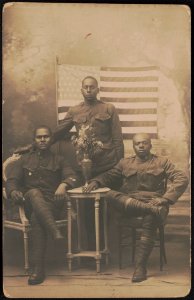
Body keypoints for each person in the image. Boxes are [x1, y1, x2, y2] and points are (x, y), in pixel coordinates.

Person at [85, 133, 189, 282]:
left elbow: (182, 178)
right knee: (109, 194)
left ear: (150, 145)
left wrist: (165, 199)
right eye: (137, 143)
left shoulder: (162, 162)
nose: (141, 146)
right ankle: (151, 210)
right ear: (133, 146)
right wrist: (96, 181)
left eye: (144, 143)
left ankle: (140, 267)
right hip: (130, 203)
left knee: (150, 218)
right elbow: (108, 176)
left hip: (155, 201)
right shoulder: (124, 163)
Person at [5, 125, 79, 285]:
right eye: (39, 137)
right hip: (28, 202)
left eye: (46, 136)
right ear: (34, 140)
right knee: (34, 193)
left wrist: (63, 184)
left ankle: (38, 270)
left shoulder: (59, 159)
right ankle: (55, 231)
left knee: (37, 219)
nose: (43, 139)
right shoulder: (24, 160)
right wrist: (12, 192)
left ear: (51, 139)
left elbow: (72, 176)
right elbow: (11, 181)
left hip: (51, 204)